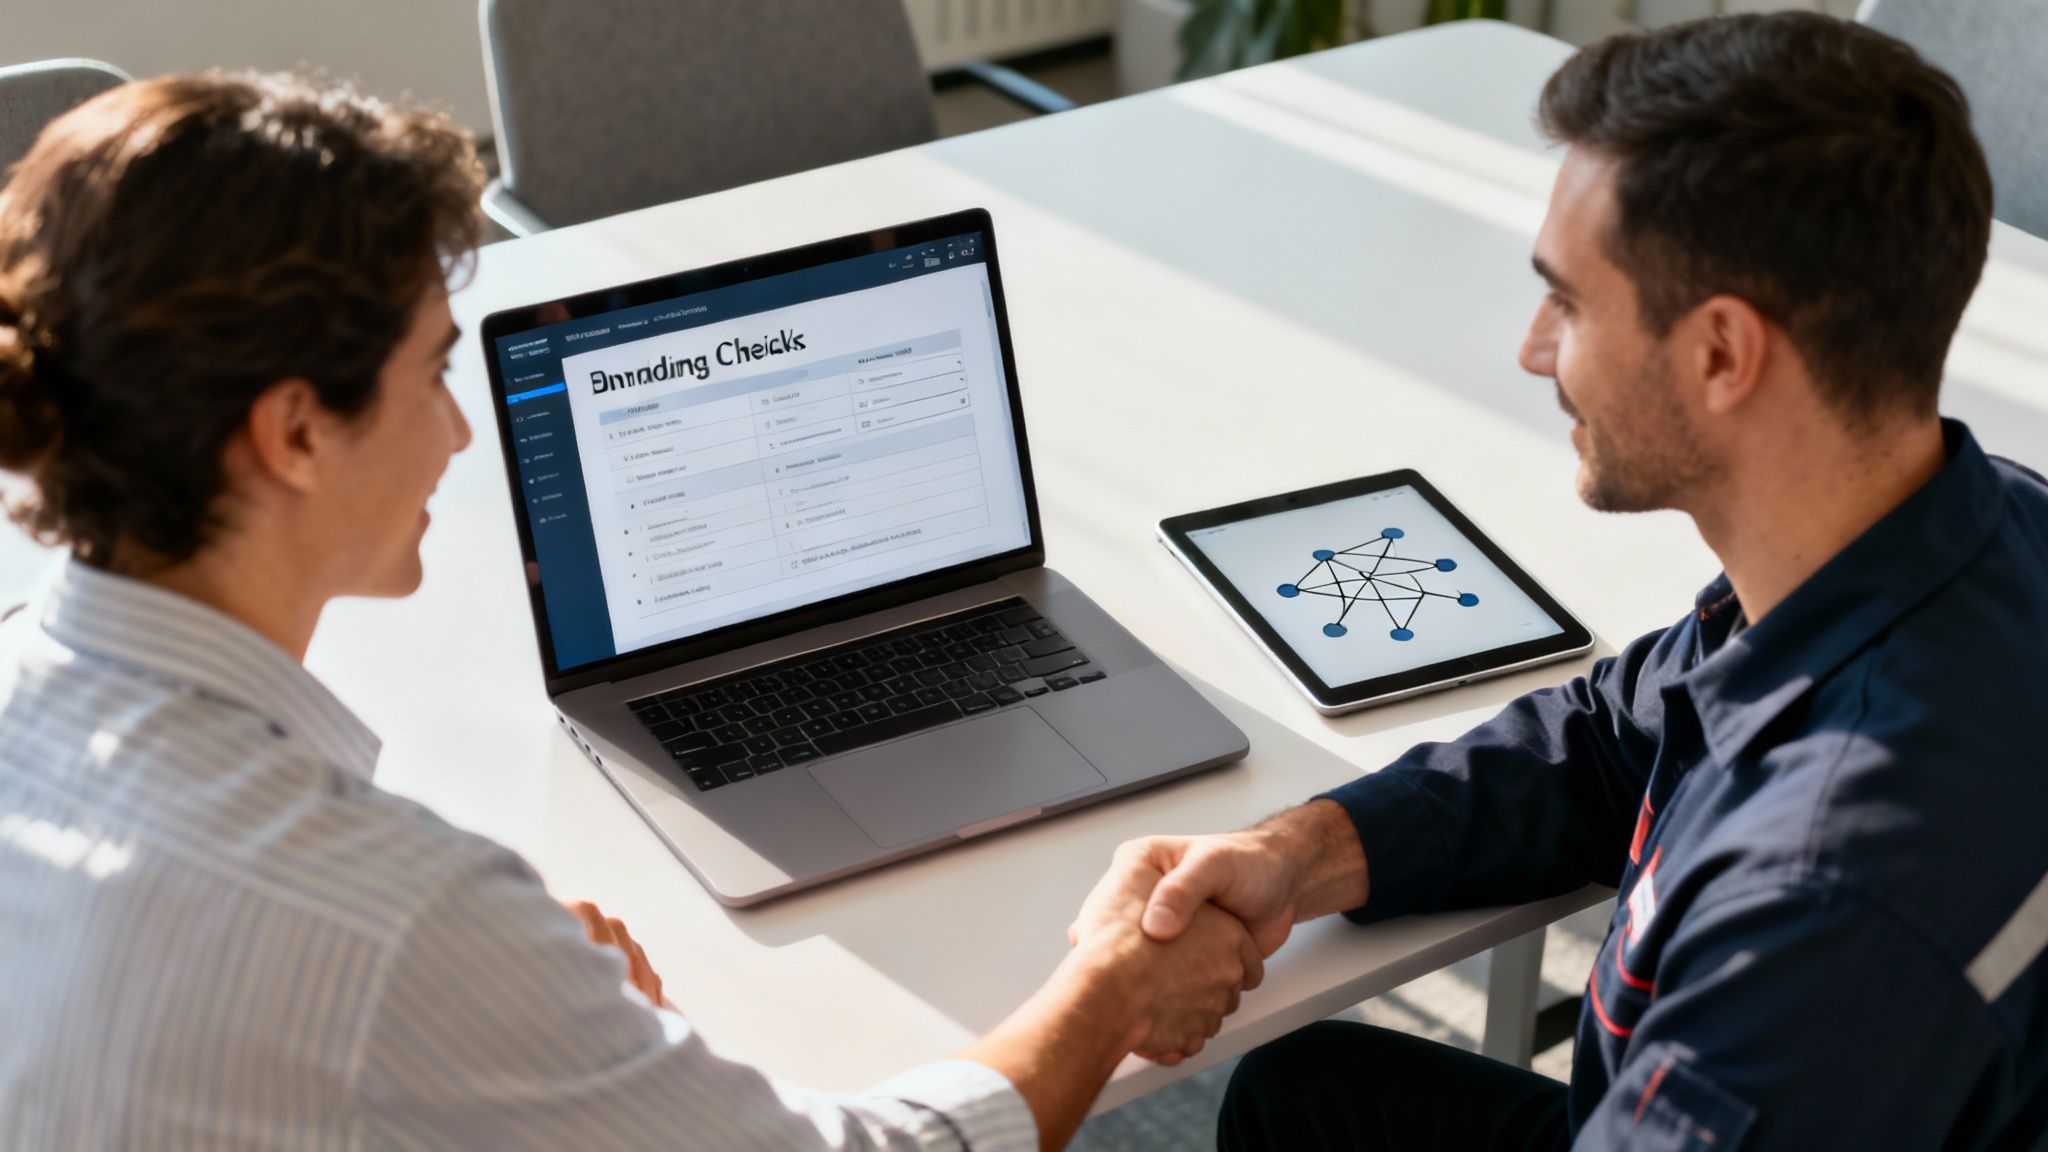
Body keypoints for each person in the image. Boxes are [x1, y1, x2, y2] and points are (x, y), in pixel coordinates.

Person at [0, 73, 1263, 1150]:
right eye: (435, 373)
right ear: (291, 432)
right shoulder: (393, 913)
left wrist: (500, 1005)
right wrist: (1104, 990)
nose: (455, 438)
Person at [1080, 12, 2048, 1150]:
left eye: (1570, 302)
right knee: (1302, 1093)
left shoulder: (1809, 915)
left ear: (1720, 353)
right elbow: (1605, 739)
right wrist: (1293, 855)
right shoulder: (1969, 527)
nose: (1534, 349)